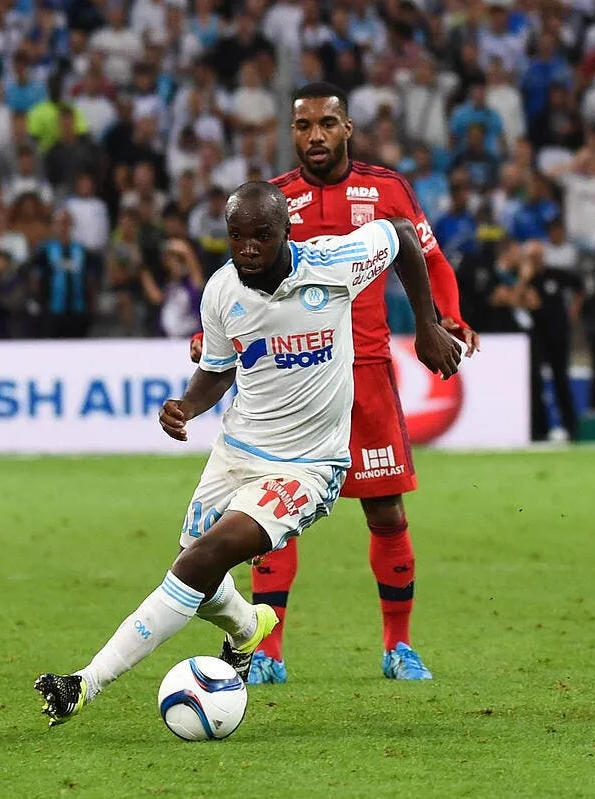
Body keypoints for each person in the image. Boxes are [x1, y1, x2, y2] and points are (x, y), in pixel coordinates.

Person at [33, 181, 461, 726]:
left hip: (310, 468)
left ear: (287, 232)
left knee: (201, 560)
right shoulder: (220, 292)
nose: (249, 248)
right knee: (197, 574)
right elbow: (218, 368)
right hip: (236, 453)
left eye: (262, 235)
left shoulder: (333, 264)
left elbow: (401, 233)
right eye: (238, 236)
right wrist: (187, 406)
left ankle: (84, 683)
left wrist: (425, 324)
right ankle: (247, 627)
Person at [187, 82, 478, 684]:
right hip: (289, 377)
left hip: (366, 371)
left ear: (347, 128)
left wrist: (444, 319)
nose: (314, 135)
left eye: (326, 123)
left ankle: (398, 646)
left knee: (387, 514)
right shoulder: (274, 200)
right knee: (267, 518)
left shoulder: (387, 189)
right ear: (291, 133)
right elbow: (237, 283)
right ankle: (268, 652)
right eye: (302, 126)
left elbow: (431, 258)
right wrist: (210, 340)